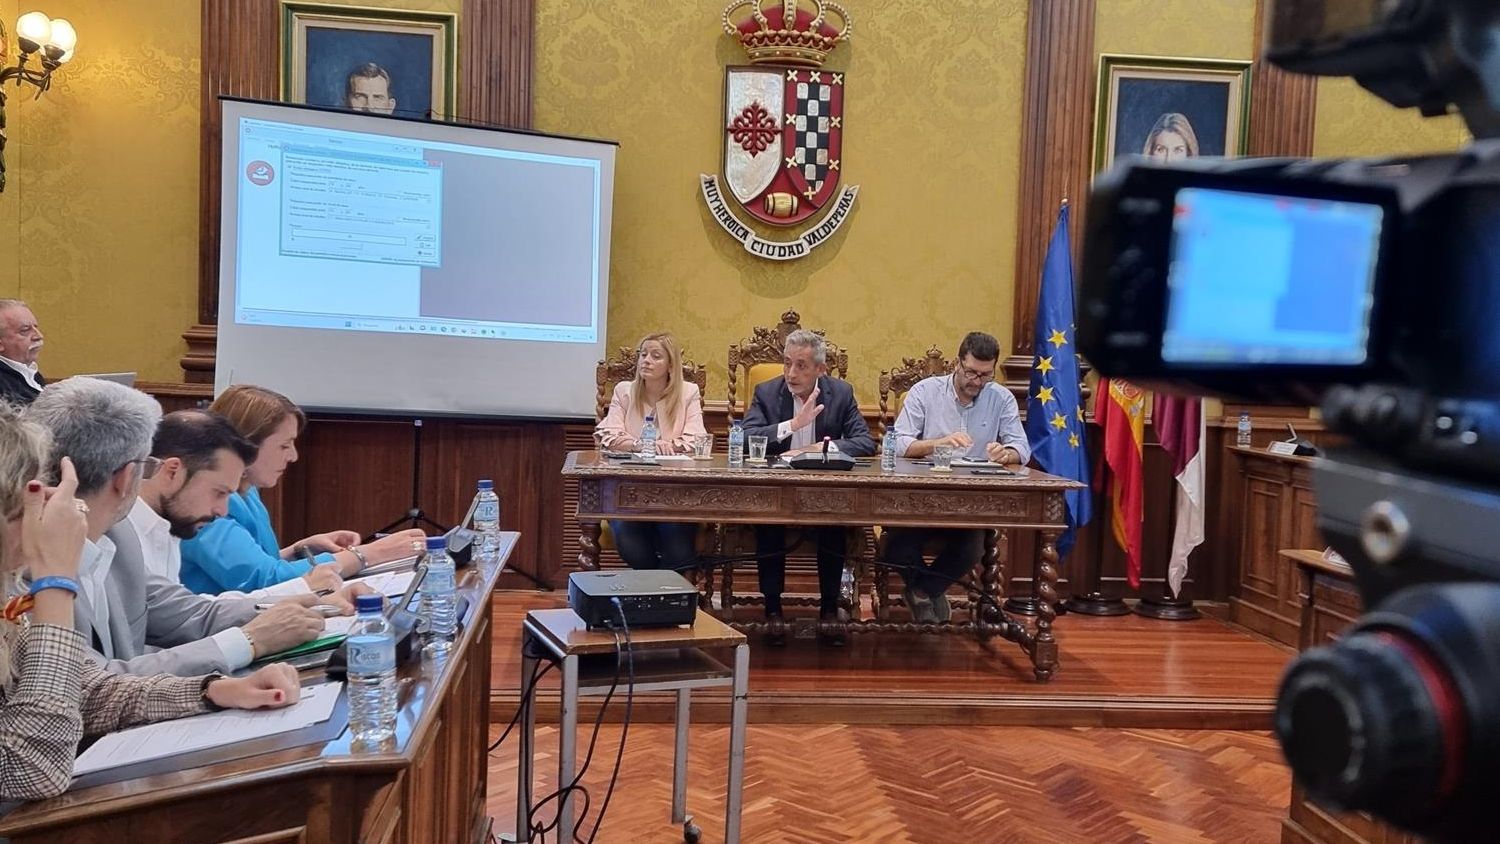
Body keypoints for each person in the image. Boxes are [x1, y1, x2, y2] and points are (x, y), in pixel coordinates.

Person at [0, 401, 301, 801]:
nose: (55, 507)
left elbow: (81, 689)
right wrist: (55, 584)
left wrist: (211, 691)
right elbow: (31, 769)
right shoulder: (34, 578)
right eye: (36, 495)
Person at [23, 379, 329, 676]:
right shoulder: (25, 562)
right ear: (129, 476)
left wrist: (314, 605)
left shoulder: (118, 536)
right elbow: (91, 682)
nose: (223, 510)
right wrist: (250, 641)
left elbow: (189, 614)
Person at [180, 384, 425, 594]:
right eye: (284, 446)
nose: (293, 456)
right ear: (246, 444)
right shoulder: (206, 501)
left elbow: (259, 564)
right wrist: (369, 554)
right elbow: (262, 581)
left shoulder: (247, 490)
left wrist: (299, 551)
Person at [133, 410, 368, 607]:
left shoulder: (168, 524)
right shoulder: (125, 539)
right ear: (172, 471)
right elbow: (174, 626)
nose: (223, 511)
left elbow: (189, 612)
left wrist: (308, 598)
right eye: (219, 493)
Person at [886, 332, 1031, 624]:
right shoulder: (924, 392)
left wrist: (1007, 453)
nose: (976, 382)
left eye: (985, 375)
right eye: (971, 373)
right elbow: (898, 443)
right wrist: (937, 443)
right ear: (956, 364)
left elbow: (1022, 448)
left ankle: (923, 591)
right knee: (894, 547)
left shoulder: (1001, 398)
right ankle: (929, 591)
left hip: (969, 503)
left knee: (972, 548)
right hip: (918, 498)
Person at [742, 329, 874, 646]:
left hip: (823, 494)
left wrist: (817, 448)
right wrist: (792, 426)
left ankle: (829, 611)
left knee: (833, 523)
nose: (791, 373)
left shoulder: (840, 394)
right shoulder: (767, 392)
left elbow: (865, 442)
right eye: (787, 363)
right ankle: (773, 610)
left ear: (820, 369)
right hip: (777, 492)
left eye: (801, 365)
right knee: (768, 524)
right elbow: (747, 438)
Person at [594, 332, 709, 569]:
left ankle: (663, 594)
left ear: (670, 365)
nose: (646, 360)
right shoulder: (624, 391)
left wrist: (672, 445)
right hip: (629, 491)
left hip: (675, 493)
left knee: (677, 539)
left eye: (655, 356)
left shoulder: (688, 392)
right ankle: (655, 587)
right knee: (627, 536)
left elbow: (697, 438)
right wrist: (641, 444)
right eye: (643, 354)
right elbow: (608, 435)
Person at [0, 299, 46, 406]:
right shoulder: (4, 386)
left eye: (36, 327)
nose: (38, 336)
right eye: (25, 330)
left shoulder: (30, 373)